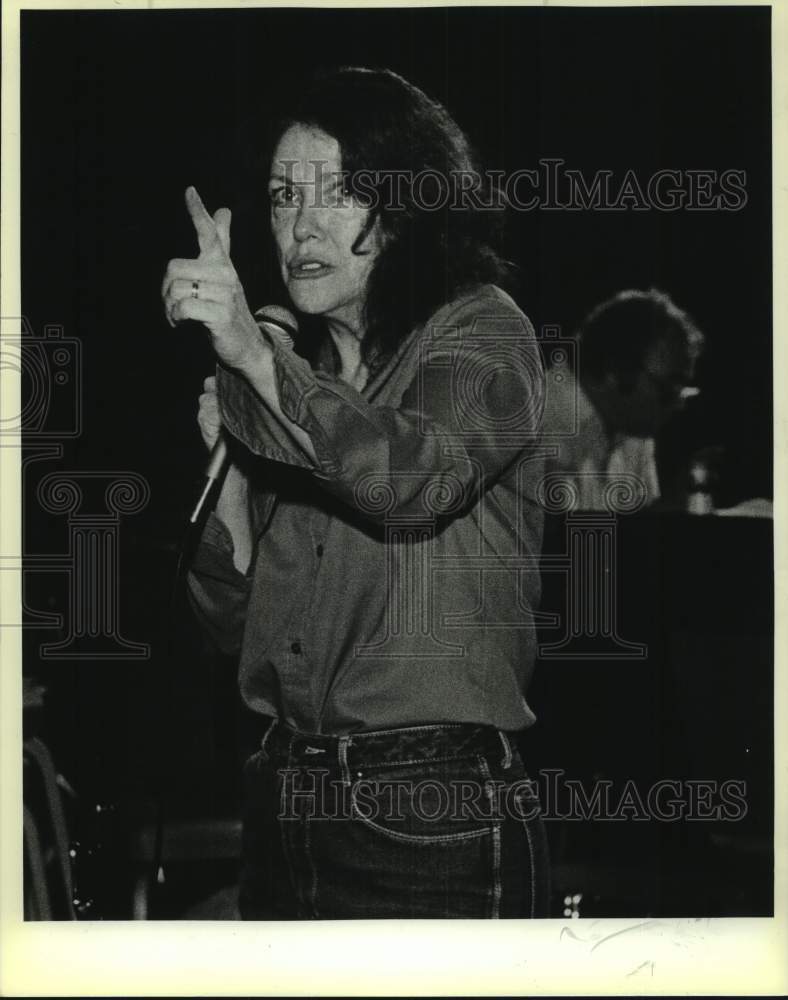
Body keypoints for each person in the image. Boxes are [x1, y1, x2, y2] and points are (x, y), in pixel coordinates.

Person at [163, 67, 548, 919]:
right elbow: (233, 629)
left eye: (337, 194)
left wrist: (260, 366)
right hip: (281, 801)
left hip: (426, 810)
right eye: (280, 196)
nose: (300, 226)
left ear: (408, 206)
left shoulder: (483, 331)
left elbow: (413, 476)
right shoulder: (302, 382)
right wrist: (226, 475)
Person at [541, 289, 704, 511]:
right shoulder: (534, 423)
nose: (678, 403)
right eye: (668, 388)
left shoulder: (633, 426)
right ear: (615, 371)